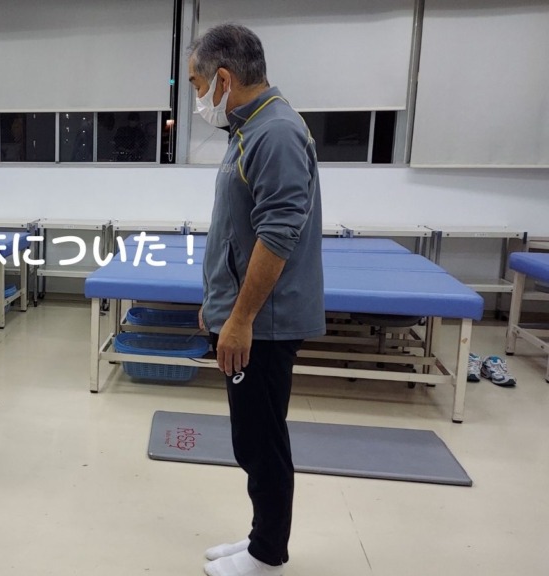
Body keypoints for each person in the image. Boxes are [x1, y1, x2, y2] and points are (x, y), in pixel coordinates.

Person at [189, 24, 325, 576]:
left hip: (263, 324)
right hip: (245, 313)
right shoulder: (249, 129)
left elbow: (278, 234)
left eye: (197, 83)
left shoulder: (276, 133)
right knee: (253, 435)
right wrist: (218, 303)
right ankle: (258, 538)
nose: (198, 97)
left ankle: (267, 554)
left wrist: (240, 319)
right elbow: (235, 230)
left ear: (223, 79)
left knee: (261, 440)